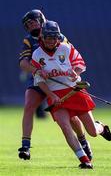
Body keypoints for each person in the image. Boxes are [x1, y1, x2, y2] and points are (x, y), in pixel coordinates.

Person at [31, 20, 111, 169]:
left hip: (74, 91)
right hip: (55, 96)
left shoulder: (66, 48)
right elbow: (39, 81)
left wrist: (75, 73)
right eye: (48, 37)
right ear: (42, 37)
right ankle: (85, 160)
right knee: (65, 126)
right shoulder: (37, 55)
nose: (51, 41)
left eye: (54, 37)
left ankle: (101, 127)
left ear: (58, 37)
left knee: (92, 132)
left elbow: (81, 65)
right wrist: (51, 95)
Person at [18, 9, 93, 161]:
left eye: (33, 22)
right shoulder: (28, 40)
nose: (31, 26)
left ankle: (83, 141)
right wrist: (37, 70)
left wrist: (74, 73)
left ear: (41, 20)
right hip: (41, 81)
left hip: (61, 84)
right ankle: (25, 145)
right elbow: (23, 63)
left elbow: (72, 60)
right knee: (29, 104)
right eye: (28, 25)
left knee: (72, 118)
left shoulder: (59, 37)